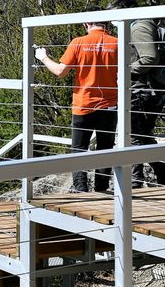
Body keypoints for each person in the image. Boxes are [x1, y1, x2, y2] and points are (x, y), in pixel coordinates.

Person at [35, 15, 119, 193]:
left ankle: (81, 191)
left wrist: (42, 57)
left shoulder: (78, 42)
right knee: (105, 149)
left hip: (84, 104)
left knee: (79, 149)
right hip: (109, 105)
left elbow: (60, 71)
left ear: (86, 24)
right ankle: (102, 191)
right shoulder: (117, 43)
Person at [110, 0, 165, 188]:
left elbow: (149, 58)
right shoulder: (141, 25)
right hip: (147, 90)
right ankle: (164, 178)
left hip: (142, 92)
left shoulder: (139, 27)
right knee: (143, 136)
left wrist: (124, 70)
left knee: (135, 137)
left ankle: (135, 184)